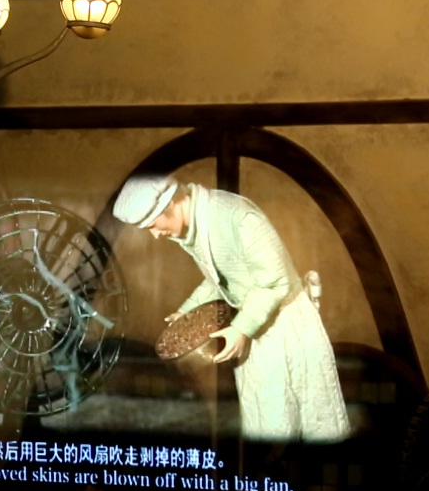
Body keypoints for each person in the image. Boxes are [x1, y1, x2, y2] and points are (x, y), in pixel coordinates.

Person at [113, 175, 349, 442]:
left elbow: (275, 282)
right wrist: (188, 311)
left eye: (152, 225)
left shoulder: (239, 217)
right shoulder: (199, 223)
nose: (155, 235)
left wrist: (241, 328)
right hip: (255, 326)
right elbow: (221, 280)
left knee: (304, 426)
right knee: (264, 425)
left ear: (171, 204)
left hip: (287, 326)